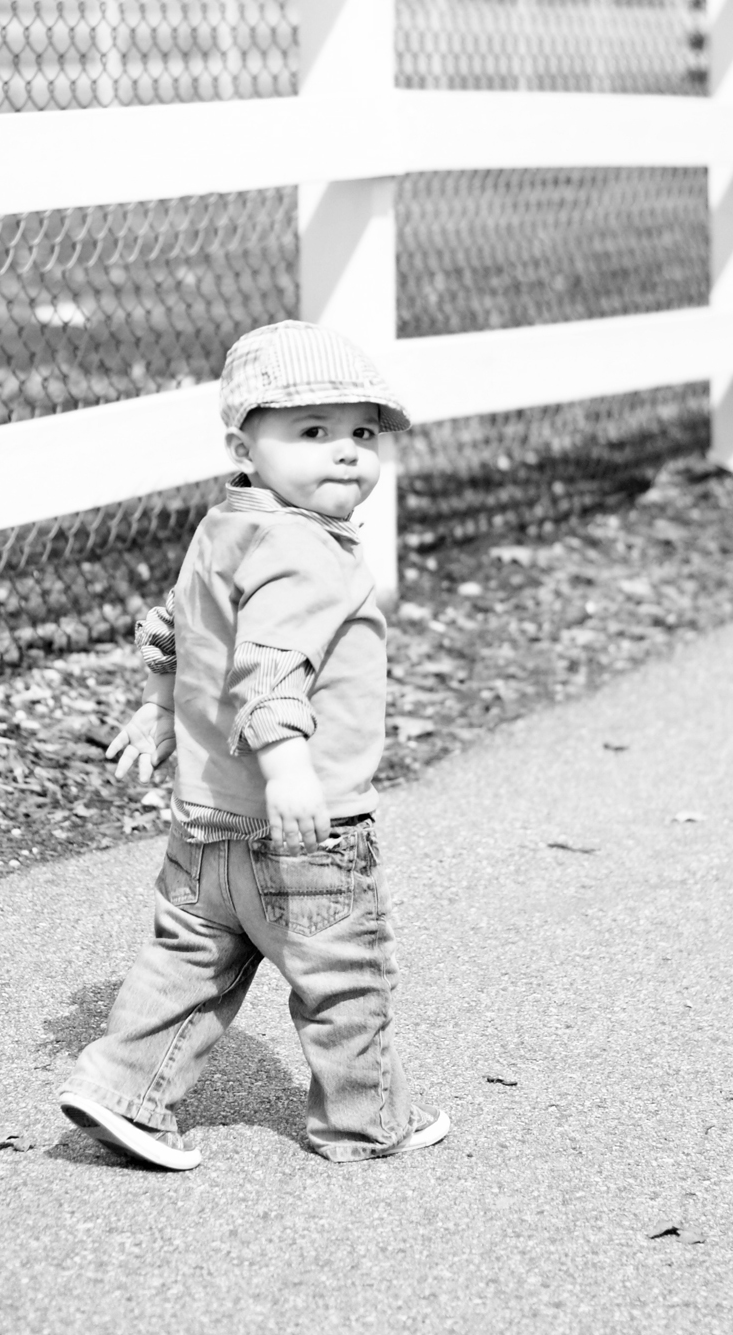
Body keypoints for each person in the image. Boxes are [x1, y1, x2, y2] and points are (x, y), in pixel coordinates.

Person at [58, 320, 449, 1170]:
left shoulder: (224, 527)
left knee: (188, 962)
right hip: (304, 829)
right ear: (244, 446)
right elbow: (269, 669)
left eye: (363, 432)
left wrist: (160, 709)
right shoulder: (307, 550)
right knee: (343, 979)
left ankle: (122, 1090)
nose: (346, 451)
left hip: (205, 823)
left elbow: (180, 625)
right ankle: (364, 1121)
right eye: (312, 431)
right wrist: (290, 771)